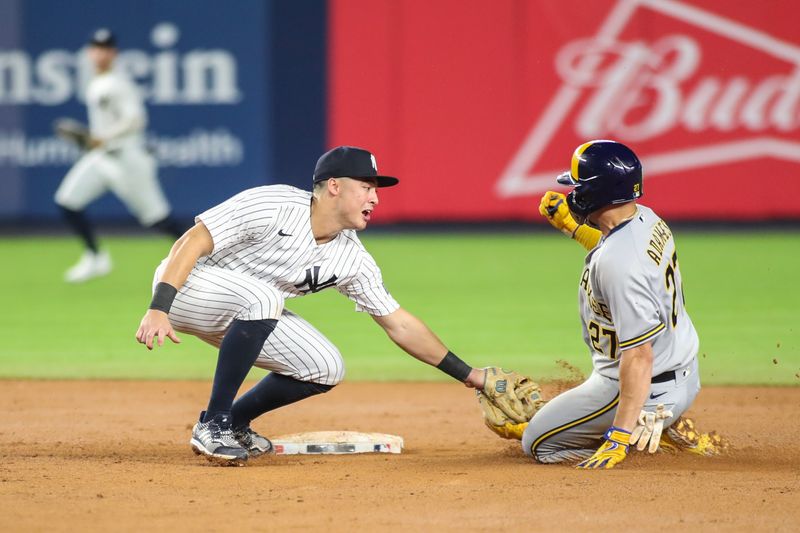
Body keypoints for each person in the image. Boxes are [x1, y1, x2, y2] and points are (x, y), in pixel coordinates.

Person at [135, 145, 487, 465]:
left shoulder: (353, 259)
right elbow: (191, 241)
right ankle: (214, 424)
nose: (375, 198)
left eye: (375, 190)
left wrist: (471, 376)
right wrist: (159, 307)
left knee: (325, 366)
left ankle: (236, 421)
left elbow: (400, 324)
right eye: (367, 187)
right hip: (186, 288)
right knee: (265, 297)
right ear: (334, 186)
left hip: (248, 316)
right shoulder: (274, 205)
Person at [525, 139, 723, 469]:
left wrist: (617, 435)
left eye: (577, 187)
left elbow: (638, 355)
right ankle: (654, 424)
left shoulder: (621, 264)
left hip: (645, 387)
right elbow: (613, 250)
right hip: (679, 372)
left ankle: (639, 438)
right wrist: (572, 228)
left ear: (595, 193)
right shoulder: (646, 218)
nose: (572, 194)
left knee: (538, 443)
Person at [55, 28, 184, 283]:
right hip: (102, 158)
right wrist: (100, 140)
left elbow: (136, 120)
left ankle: (205, 258)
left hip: (128, 161)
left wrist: (105, 135)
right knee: (67, 202)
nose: (100, 53)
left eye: (105, 49)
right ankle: (95, 258)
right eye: (96, 48)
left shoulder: (118, 84)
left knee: (158, 220)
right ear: (90, 53)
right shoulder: (96, 82)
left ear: (113, 53)